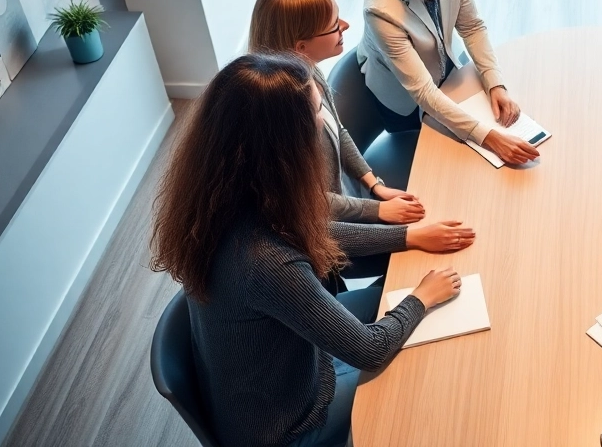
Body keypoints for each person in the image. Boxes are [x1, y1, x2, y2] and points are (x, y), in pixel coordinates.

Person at [150, 53, 466, 447]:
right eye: (317, 111)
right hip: (288, 426)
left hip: (283, 367)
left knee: (386, 297)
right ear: (286, 142)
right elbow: (369, 350)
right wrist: (421, 297)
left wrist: (409, 236)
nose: (323, 120)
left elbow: (314, 231)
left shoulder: (222, 197)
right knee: (421, 371)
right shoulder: (265, 263)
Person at [249, 0, 476, 283]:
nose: (345, 25)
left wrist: (374, 185)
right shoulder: (280, 126)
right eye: (333, 25)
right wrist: (378, 212)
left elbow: (339, 131)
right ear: (300, 47)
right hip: (325, 237)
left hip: (344, 203)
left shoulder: (308, 74)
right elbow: (313, 208)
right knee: (440, 247)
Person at [360, 0, 539, 166]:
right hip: (404, 97)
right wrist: (489, 138)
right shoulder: (381, 12)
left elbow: (472, 26)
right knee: (435, 161)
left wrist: (496, 83)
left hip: (446, 66)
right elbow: (422, 91)